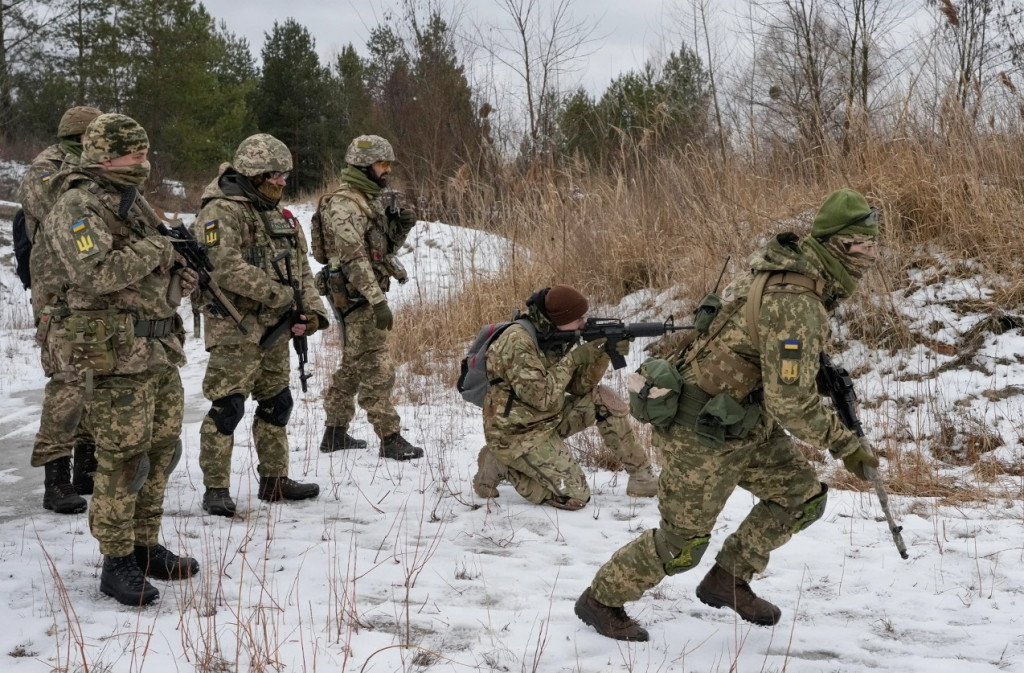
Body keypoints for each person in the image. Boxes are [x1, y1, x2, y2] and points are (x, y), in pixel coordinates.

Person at [574, 188, 881, 641]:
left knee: (801, 497)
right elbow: (790, 404)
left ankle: (728, 580)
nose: (869, 257)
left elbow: (750, 348)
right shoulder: (797, 301)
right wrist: (846, 444)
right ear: (836, 244)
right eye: (861, 246)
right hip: (700, 431)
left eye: (874, 245)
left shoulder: (784, 272)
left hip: (744, 421)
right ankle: (600, 600)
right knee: (682, 545)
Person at [43, 113, 200, 606]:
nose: (144, 161)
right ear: (104, 155)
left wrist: (180, 272)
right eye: (134, 153)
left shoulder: (132, 204)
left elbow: (156, 275)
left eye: (145, 151)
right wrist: (160, 247)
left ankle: (145, 544)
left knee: (161, 452)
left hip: (156, 350)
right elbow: (97, 274)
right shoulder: (76, 205)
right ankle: (117, 560)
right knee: (121, 460)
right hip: (113, 357)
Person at [192, 133, 328, 517]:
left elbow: (301, 270)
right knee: (228, 406)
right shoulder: (220, 211)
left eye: (285, 175)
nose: (283, 182)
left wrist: (312, 313)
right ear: (253, 174)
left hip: (277, 330)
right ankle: (216, 488)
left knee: (276, 402)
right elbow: (224, 266)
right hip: (235, 329)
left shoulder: (278, 214)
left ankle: (274, 480)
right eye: (275, 175)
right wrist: (280, 296)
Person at [471, 285, 658, 509]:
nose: (583, 323)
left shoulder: (551, 334)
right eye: (578, 318)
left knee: (602, 399)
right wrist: (574, 359)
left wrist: (604, 354)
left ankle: (642, 479)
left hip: (547, 419)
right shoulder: (517, 341)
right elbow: (541, 397)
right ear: (561, 318)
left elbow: (579, 387)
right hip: (516, 434)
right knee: (575, 496)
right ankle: (501, 464)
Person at [316, 135, 423, 461]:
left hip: (363, 292)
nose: (387, 170)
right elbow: (352, 258)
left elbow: (379, 251)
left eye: (389, 164)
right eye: (382, 164)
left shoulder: (368, 199)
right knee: (377, 366)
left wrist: (402, 226)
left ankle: (334, 433)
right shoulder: (345, 204)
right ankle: (390, 437)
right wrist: (377, 300)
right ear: (364, 165)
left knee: (352, 364)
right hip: (356, 296)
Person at [19, 105, 103, 514]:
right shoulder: (46, 168)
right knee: (68, 383)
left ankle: (87, 466)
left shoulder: (93, 167)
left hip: (91, 289)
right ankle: (56, 477)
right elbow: (59, 209)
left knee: (96, 374)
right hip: (58, 293)